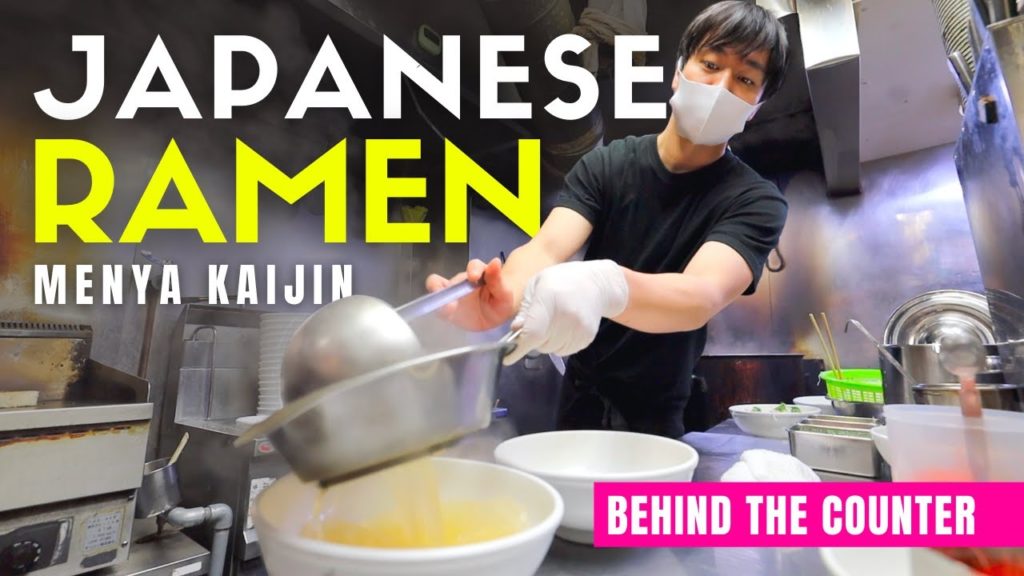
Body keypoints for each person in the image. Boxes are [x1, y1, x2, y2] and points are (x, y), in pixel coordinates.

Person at [426, 1, 790, 439]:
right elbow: (546, 248)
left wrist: (605, 285)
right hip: (578, 399)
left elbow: (701, 294)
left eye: (745, 79)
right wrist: (505, 294)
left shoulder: (755, 200)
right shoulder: (608, 165)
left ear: (756, 107)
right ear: (679, 71)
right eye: (711, 64)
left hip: (658, 411)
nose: (721, 87)